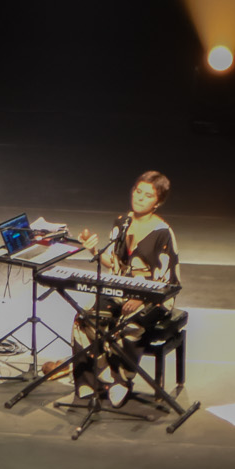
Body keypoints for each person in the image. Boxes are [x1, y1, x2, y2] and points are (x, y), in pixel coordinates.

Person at [57, 171, 180, 406]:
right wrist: (93, 250)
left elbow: (166, 280)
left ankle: (121, 380)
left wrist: (142, 299)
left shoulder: (163, 233)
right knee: (84, 318)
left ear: (158, 202)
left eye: (147, 195)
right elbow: (114, 264)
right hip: (120, 289)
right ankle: (91, 378)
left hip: (153, 298)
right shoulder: (121, 222)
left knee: (131, 322)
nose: (140, 198)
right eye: (137, 191)